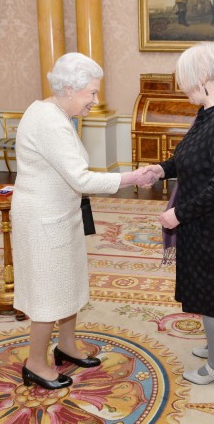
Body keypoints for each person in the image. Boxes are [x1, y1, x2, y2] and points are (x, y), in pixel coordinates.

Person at [11, 52, 154, 390]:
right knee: (48, 292)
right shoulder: (49, 120)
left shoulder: (56, 113)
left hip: (61, 214)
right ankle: (35, 363)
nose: (95, 100)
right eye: (91, 93)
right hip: (43, 219)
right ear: (69, 89)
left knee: (68, 281)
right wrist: (131, 178)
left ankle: (67, 345)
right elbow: (81, 179)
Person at [142, 42, 214, 385]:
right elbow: (191, 158)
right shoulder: (209, 110)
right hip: (204, 214)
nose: (183, 88)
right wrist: (162, 168)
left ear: (202, 76)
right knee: (208, 280)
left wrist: (179, 214)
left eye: (185, 80)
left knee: (210, 286)